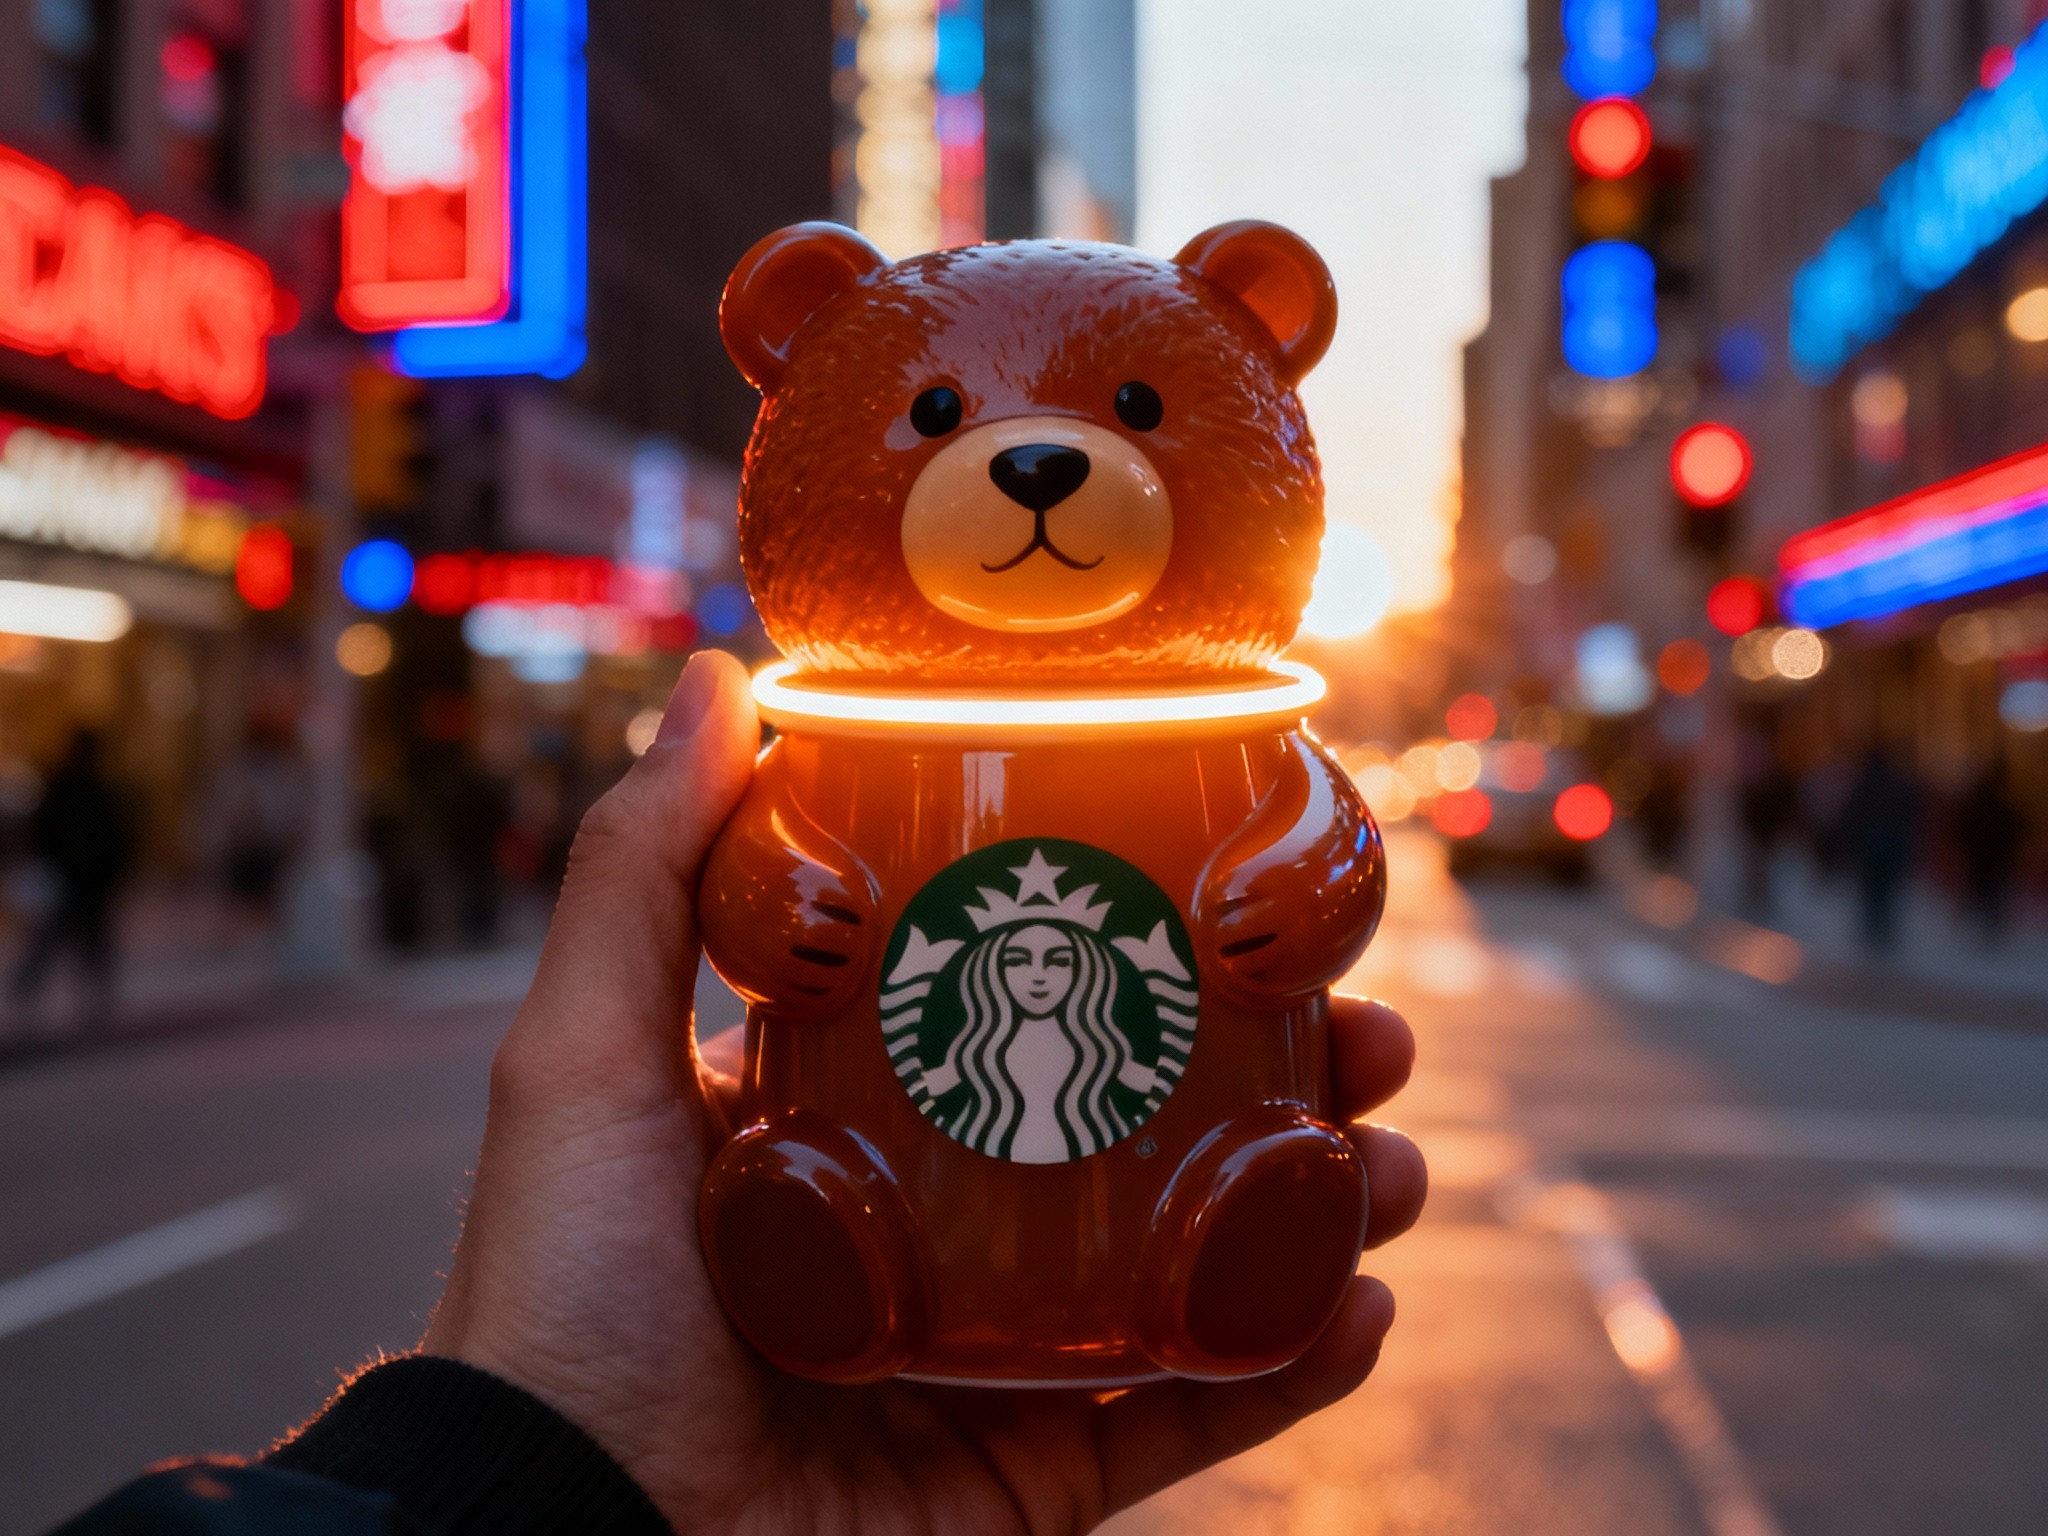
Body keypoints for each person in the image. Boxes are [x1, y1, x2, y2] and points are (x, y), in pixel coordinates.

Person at [52, 652, 1428, 1534]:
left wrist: (1303, 888)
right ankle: (825, 1253)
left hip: (1165, 1206)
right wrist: (778, 906)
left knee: (1292, 1134)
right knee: (820, 1190)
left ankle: (1234, 1232)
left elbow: (1335, 852)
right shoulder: (828, 750)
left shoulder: (1250, 743)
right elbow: (756, 894)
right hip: (865, 1251)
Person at [9, 730, 131, 1027]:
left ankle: (88, 999)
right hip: (78, 878)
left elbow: (43, 831)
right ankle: (90, 999)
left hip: (77, 878)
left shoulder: (70, 785)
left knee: (62, 939)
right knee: (72, 939)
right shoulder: (85, 787)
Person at [1835, 744, 1921, 953]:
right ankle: (1883, 932)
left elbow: (1851, 817)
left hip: (1869, 848)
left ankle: (1872, 932)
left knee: (1871, 892)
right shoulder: (1897, 785)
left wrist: (1852, 845)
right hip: (1891, 846)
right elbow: (1908, 816)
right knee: (1886, 891)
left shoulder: (1862, 785)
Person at [1953, 758, 2025, 945]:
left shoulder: (1981, 801)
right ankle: (1987, 930)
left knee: (1980, 891)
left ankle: (1967, 928)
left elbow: (1963, 825)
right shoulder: (2004, 801)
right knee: (1991, 893)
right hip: (1994, 856)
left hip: (1982, 855)